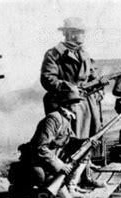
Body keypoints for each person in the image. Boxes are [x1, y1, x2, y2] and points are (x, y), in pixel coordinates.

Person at [40, 17, 105, 188]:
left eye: (82, 32)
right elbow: (47, 79)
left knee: (90, 139)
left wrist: (99, 85)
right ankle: (63, 182)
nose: (82, 35)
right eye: (78, 31)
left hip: (87, 103)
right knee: (69, 142)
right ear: (69, 33)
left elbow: (92, 76)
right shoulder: (54, 54)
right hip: (66, 102)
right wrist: (69, 87)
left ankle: (85, 176)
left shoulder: (85, 54)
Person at [9, 88, 99, 198]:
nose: (78, 107)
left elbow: (70, 141)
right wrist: (60, 165)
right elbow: (40, 147)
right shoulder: (53, 120)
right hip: (36, 164)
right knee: (40, 178)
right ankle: (19, 193)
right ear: (67, 104)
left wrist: (86, 143)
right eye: (75, 104)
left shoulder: (66, 119)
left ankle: (43, 194)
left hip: (49, 166)